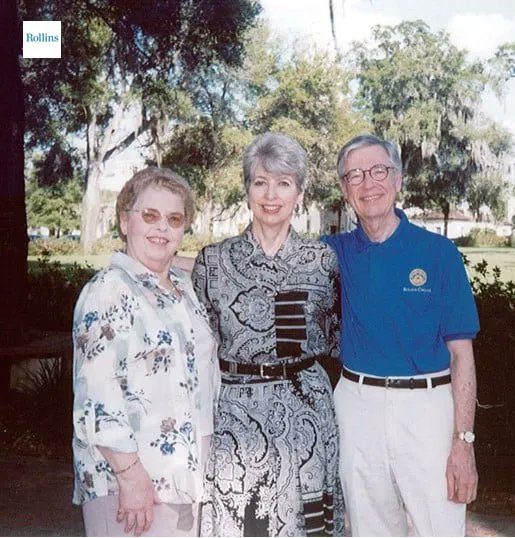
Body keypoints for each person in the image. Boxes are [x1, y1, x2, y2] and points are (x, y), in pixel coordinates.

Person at [322, 134, 479, 537]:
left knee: (439, 526)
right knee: (368, 527)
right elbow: (266, 259)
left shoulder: (439, 253)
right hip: (356, 406)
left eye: (378, 171)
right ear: (344, 189)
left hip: (426, 408)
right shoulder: (330, 254)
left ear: (397, 180)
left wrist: (463, 441)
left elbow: (461, 354)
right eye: (354, 175)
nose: (367, 183)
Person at [190, 132, 345, 537]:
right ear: (246, 190)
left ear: (300, 192)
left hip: (307, 413)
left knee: (308, 523)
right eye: (260, 182)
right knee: (247, 524)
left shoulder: (322, 261)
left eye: (283, 183)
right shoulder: (213, 261)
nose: (271, 194)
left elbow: (337, 335)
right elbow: (197, 347)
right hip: (237, 415)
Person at [72, 167, 220, 536]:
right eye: (149, 216)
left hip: (185, 478)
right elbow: (97, 399)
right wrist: (130, 477)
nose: (161, 228)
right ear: (125, 221)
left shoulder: (183, 288)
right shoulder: (108, 291)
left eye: (174, 219)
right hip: (132, 484)